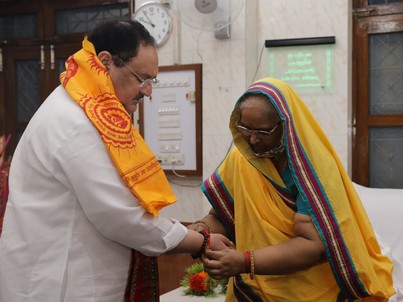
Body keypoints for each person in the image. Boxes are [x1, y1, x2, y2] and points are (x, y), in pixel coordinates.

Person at [0, 20, 231, 302]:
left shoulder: (87, 107)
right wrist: (201, 240)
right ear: (106, 62)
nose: (148, 92)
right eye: (142, 78)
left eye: (152, 81)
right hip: (60, 284)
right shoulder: (76, 122)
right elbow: (121, 217)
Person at [190, 78, 395, 301]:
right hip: (253, 289)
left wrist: (243, 261)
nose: (252, 138)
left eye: (263, 131)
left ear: (284, 124)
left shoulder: (312, 168)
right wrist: (200, 231)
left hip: (309, 290)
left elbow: (311, 246)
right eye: (245, 127)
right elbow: (221, 215)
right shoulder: (240, 160)